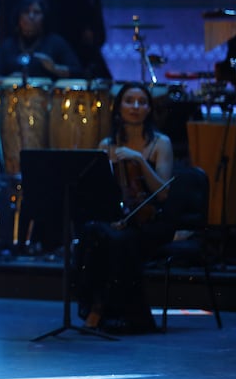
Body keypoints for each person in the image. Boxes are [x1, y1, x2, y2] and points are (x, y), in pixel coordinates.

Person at [75, 82, 175, 334]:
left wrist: (140, 160)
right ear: (118, 108)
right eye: (129, 101)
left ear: (149, 109)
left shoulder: (161, 144)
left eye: (142, 102)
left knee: (117, 241)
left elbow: (163, 193)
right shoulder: (106, 144)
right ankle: (96, 307)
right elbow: (99, 195)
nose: (136, 107)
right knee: (92, 232)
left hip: (151, 221)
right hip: (118, 218)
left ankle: (111, 313)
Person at [0, 0, 83, 81]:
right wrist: (9, 80)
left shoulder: (56, 42)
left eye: (36, 12)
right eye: (26, 12)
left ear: (44, 17)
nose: (31, 16)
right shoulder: (8, 45)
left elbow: (78, 72)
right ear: (19, 18)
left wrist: (55, 68)